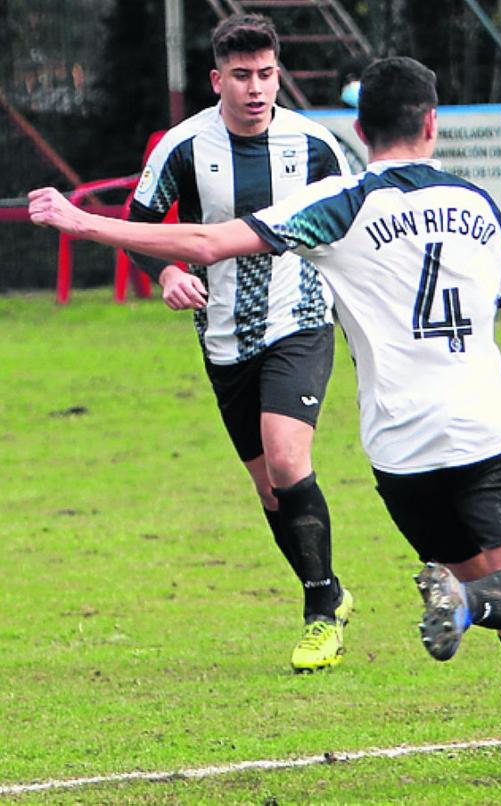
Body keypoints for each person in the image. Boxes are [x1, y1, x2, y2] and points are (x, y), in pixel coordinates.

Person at [29, 56, 501, 764]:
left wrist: (88, 225)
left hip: (401, 457)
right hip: (487, 435)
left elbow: (205, 243)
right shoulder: (476, 205)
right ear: (431, 123)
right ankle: (474, 607)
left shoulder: (338, 203)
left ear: (357, 128)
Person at [124, 13, 353, 672]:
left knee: (287, 459)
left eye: (267, 74)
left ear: (277, 73)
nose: (256, 88)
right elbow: (140, 228)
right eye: (243, 76)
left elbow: (351, 224)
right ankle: (330, 591)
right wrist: (167, 270)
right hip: (223, 335)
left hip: (300, 319)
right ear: (217, 78)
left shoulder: (313, 145)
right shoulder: (182, 146)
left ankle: (317, 615)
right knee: (270, 489)